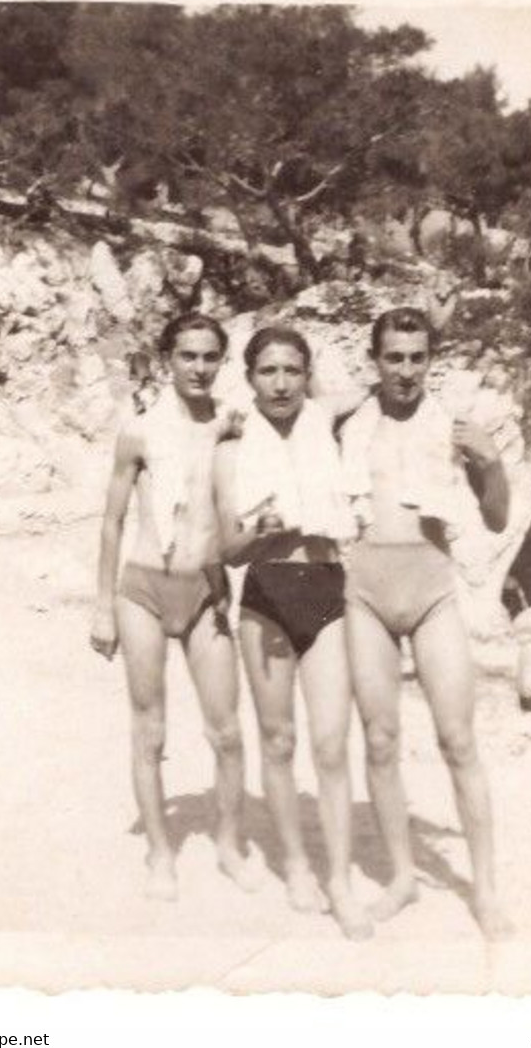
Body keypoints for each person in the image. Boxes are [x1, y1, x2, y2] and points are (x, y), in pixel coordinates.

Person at [341, 306, 512, 940]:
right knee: (380, 739)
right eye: (394, 357)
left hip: (433, 592)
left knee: (458, 740)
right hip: (365, 595)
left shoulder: (455, 428)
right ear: (376, 361)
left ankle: (486, 890)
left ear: (429, 361)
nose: (406, 370)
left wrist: (491, 464)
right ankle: (403, 879)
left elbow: (497, 518)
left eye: (417, 358)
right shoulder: (349, 424)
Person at [212, 325, 373, 941]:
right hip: (265, 598)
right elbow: (228, 549)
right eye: (268, 372)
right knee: (277, 742)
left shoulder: (329, 424)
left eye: (293, 371)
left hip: (326, 590)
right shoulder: (230, 444)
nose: (281, 383)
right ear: (249, 377)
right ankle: (298, 866)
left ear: (309, 375)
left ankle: (339, 880)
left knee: (331, 746)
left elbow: (379, 388)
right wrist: (261, 531)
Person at [90, 312, 255, 901]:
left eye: (211, 357)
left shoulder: (233, 429)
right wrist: (103, 607)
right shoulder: (139, 430)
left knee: (228, 731)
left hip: (204, 590)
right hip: (143, 588)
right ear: (168, 359)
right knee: (150, 731)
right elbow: (111, 522)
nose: (199, 368)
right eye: (188, 356)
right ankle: (161, 854)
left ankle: (231, 845)